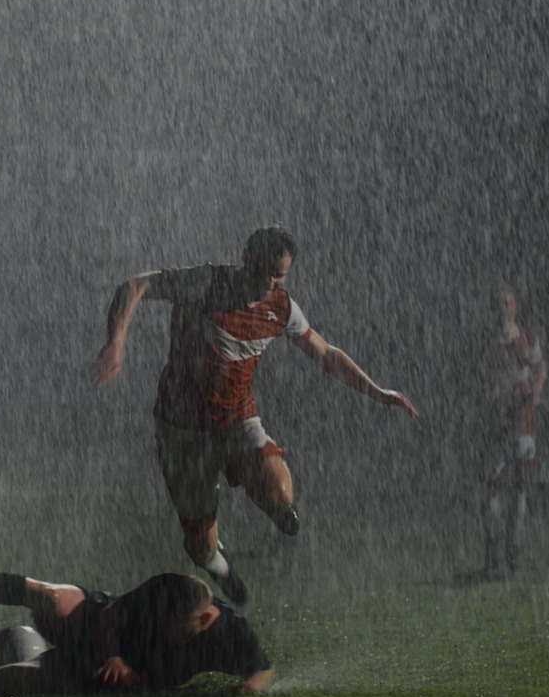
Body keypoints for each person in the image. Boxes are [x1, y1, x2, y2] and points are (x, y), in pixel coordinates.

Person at [94, 225, 420, 605]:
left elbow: (326, 354)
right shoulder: (205, 283)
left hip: (237, 419)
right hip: (180, 428)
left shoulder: (281, 308)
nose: (269, 282)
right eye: (264, 270)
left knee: (280, 495)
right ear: (245, 258)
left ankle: (271, 503)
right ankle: (221, 567)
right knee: (200, 546)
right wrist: (115, 344)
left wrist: (379, 392)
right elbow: (134, 286)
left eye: (278, 275)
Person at [0, 547, 276, 697]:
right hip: (97, 626)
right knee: (48, 596)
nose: (165, 631)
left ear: (206, 619)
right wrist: (115, 654)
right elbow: (112, 614)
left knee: (2, 684)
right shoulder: (167, 590)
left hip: (100, 674)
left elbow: (263, 670)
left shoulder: (230, 634)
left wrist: (249, 689)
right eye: (164, 622)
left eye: (177, 628)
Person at [481, 284, 547, 578]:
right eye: (499, 303)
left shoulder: (528, 338)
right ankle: (492, 548)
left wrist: (535, 391)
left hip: (522, 417)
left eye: (508, 302)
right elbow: (486, 377)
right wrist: (491, 393)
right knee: (492, 485)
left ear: (515, 307)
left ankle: (512, 552)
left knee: (520, 484)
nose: (504, 307)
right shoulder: (489, 343)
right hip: (499, 419)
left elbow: (541, 367)